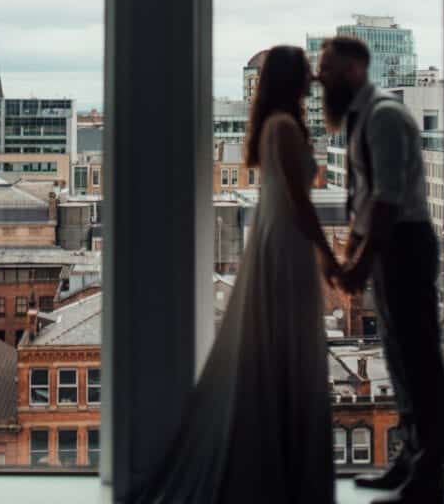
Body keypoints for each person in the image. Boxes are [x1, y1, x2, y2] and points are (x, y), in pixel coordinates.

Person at [132, 45, 339, 504]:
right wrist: (330, 256)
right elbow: (302, 202)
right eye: (306, 71)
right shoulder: (284, 127)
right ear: (291, 79)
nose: (313, 77)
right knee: (292, 348)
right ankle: (286, 472)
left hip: (278, 240)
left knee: (279, 348)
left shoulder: (275, 126)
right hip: (288, 245)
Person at [318, 36, 444, 504]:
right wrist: (354, 252)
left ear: (354, 68)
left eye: (327, 68)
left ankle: (431, 468)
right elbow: (365, 199)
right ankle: (410, 458)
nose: (320, 78)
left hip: (406, 245)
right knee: (396, 355)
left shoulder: (386, 117)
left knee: (419, 358)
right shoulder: (360, 119)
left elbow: (389, 200)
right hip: (392, 245)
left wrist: (360, 263)